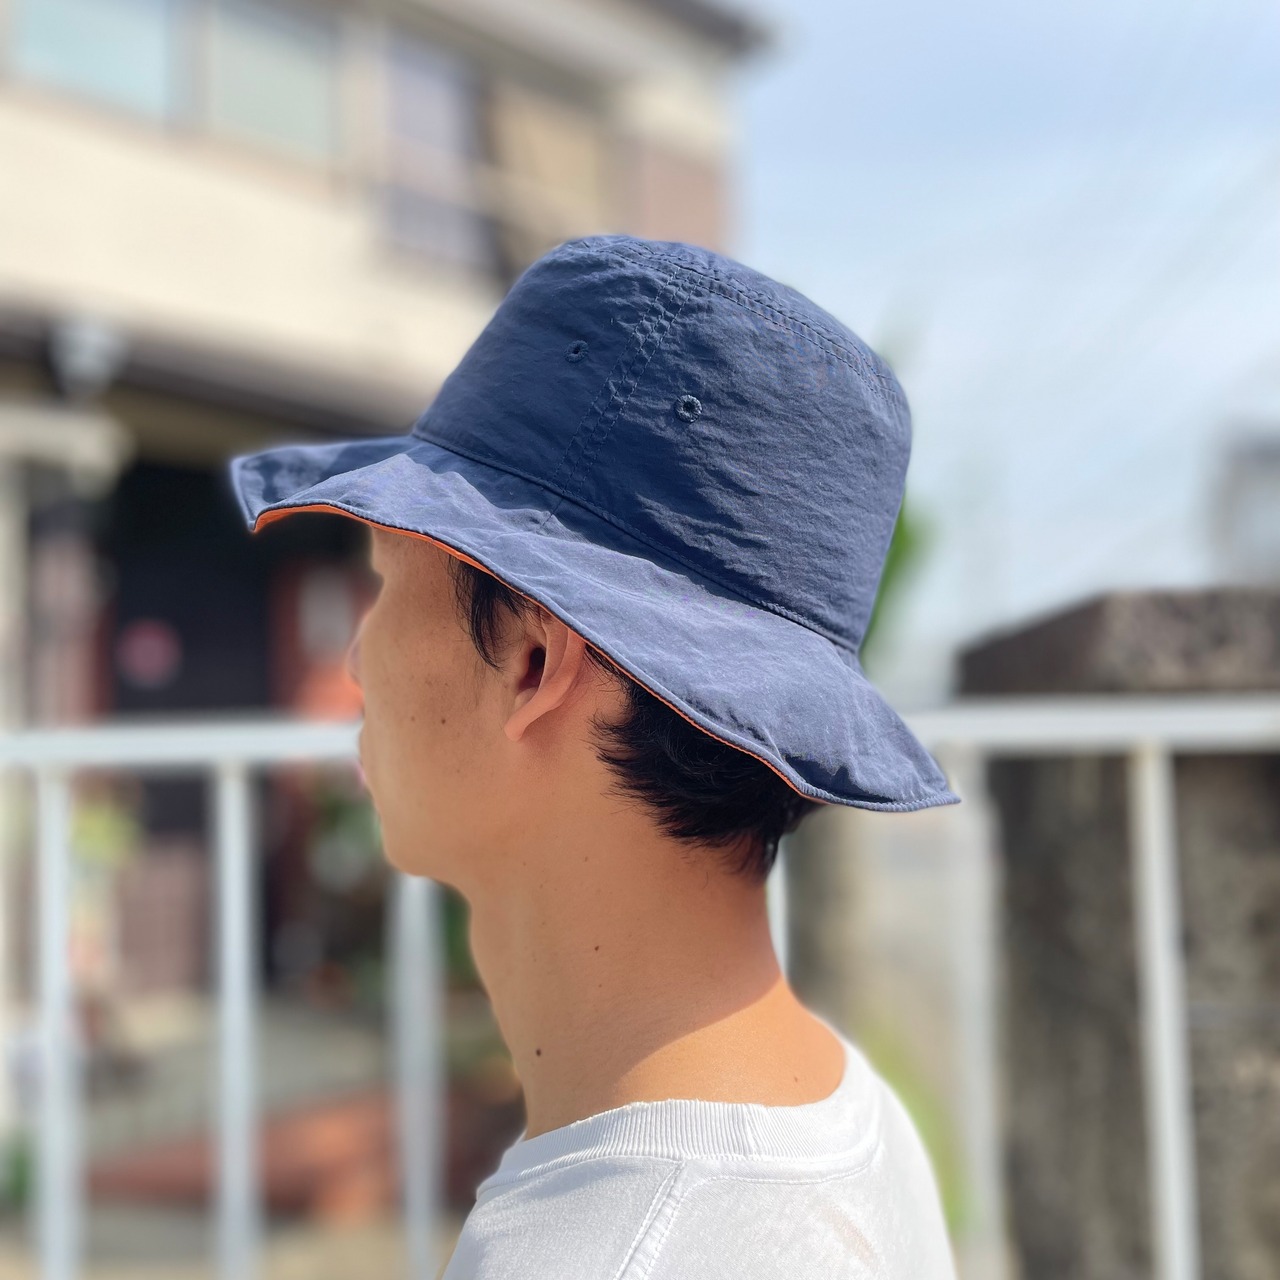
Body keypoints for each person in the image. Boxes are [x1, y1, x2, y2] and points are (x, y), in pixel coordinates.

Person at [228, 234, 960, 1279]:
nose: (355, 655)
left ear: (531, 661)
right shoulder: (847, 1111)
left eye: (387, 580)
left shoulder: (611, 1251)